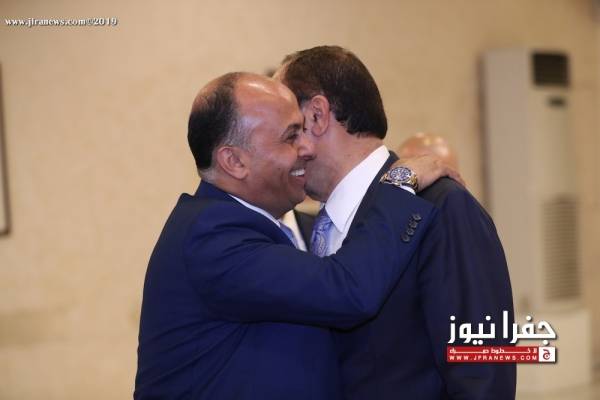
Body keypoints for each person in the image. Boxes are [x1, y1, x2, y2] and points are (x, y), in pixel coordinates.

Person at [134, 72, 456, 399]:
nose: (306, 147)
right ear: (234, 161)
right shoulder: (212, 235)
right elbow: (347, 290)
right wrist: (400, 182)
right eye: (290, 137)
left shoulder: (237, 226)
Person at [275, 45, 516, 399]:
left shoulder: (442, 208)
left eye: (287, 131)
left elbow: (483, 373)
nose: (280, 151)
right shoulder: (312, 226)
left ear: (317, 116)